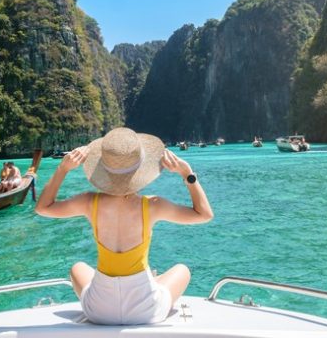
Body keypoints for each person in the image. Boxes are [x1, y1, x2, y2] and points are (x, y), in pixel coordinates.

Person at [35, 127, 214, 325]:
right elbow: (204, 214)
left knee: (77, 268)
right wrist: (187, 174)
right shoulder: (153, 206)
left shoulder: (88, 202)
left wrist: (62, 169)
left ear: (103, 168)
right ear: (141, 170)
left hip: (99, 311)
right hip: (146, 311)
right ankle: (147, 284)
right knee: (182, 270)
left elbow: (43, 207)